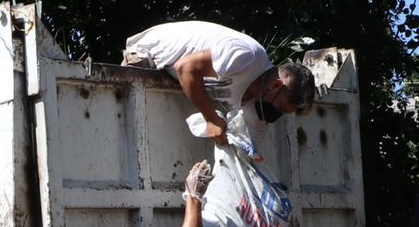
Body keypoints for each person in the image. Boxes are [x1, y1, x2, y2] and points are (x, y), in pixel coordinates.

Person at [121, 21, 316, 152]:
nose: (276, 114)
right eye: (280, 107)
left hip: (170, 72)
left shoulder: (255, 105)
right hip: (147, 55)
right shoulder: (247, 56)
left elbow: (251, 150)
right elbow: (186, 68)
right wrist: (212, 118)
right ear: (277, 84)